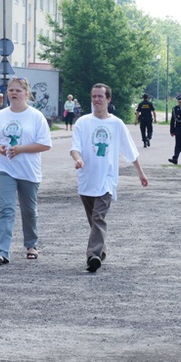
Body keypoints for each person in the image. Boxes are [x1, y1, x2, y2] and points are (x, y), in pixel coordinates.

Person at [70, 83, 149, 273]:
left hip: (107, 179)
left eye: (100, 96)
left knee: (98, 217)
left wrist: (141, 173)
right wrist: (78, 159)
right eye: (94, 96)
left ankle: (93, 256)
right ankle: (101, 249)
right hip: (86, 179)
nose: (96, 100)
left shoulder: (116, 124)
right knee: (93, 220)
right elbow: (75, 148)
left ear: (108, 99)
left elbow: (130, 151)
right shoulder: (83, 122)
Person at [0, 76, 52, 266]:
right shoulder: (1, 115)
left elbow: (45, 144)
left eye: (18, 90)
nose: (14, 93)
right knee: (6, 209)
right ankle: (2, 252)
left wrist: (21, 148)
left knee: (29, 210)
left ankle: (31, 244)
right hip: (4, 167)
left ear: (26, 94)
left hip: (28, 170)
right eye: (11, 90)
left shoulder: (36, 116)